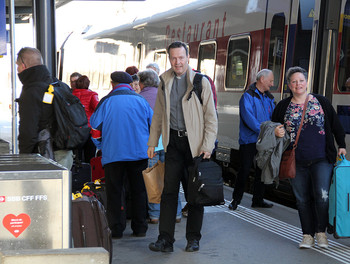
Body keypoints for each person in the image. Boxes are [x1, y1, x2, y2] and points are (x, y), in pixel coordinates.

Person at [147, 41, 217, 253]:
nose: (177, 62)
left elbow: (211, 117)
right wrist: (152, 142)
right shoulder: (164, 81)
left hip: (195, 146)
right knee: (168, 192)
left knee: (194, 194)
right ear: (169, 59)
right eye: (174, 58)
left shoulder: (200, 82)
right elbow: (158, 115)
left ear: (188, 58)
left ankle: (193, 238)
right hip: (174, 143)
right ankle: (165, 239)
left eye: (181, 58)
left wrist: (208, 145)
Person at [272, 66, 347, 249]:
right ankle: (307, 235)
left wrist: (342, 145)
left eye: (301, 80)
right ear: (289, 85)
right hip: (295, 160)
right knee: (302, 199)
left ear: (307, 82)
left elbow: (336, 125)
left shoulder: (321, 101)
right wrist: (275, 131)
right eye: (294, 81)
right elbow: (271, 126)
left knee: (322, 196)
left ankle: (321, 233)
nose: (298, 84)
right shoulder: (283, 105)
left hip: (322, 158)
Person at [90, 71, 153, 239]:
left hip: (113, 155)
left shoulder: (106, 102)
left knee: (115, 192)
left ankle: (116, 229)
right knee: (139, 191)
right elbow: (153, 126)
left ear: (112, 84)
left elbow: (95, 129)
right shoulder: (141, 101)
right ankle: (140, 228)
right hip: (139, 154)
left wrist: (102, 145)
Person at [16, 47, 74, 169]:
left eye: (18, 66)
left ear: (23, 65)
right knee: (61, 188)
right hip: (65, 152)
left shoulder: (31, 91)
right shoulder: (59, 85)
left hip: (46, 154)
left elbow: (28, 129)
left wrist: (23, 158)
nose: (17, 70)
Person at [138, 69, 183, 224]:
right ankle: (176, 214)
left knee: (154, 179)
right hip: (169, 144)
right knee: (171, 180)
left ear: (141, 83)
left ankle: (155, 214)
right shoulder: (166, 96)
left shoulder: (139, 99)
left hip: (152, 146)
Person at [228, 69, 275, 211]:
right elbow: (249, 119)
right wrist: (266, 131)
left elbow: (273, 116)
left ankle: (258, 200)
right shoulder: (247, 97)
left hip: (264, 140)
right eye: (271, 81)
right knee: (245, 170)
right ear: (262, 79)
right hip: (249, 140)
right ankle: (235, 200)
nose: (272, 84)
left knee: (261, 171)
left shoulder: (269, 98)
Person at [72, 75, 99, 163]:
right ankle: (88, 175)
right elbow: (98, 109)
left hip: (74, 130)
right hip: (88, 129)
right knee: (89, 157)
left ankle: (76, 175)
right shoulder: (92, 95)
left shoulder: (70, 95)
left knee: (76, 157)